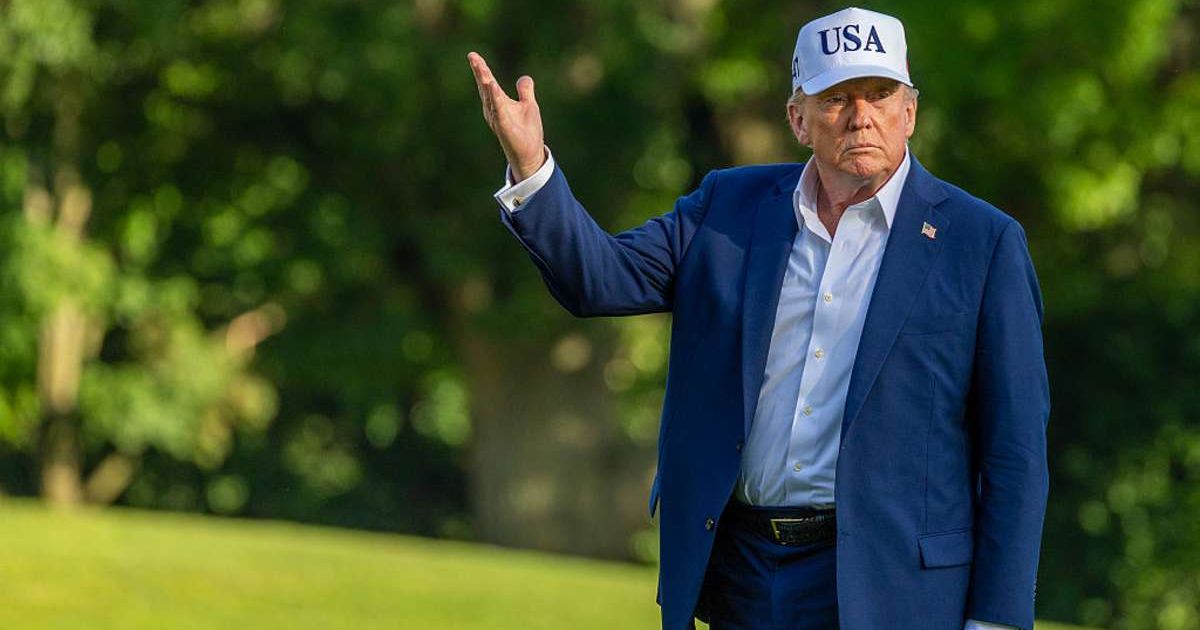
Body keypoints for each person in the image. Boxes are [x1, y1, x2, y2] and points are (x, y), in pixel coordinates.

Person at [467, 6, 1049, 630]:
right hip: (739, 570)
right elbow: (599, 279)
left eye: (880, 95)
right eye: (836, 98)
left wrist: (997, 618)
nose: (861, 117)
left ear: (910, 111)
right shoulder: (727, 206)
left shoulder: (981, 242)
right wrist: (532, 169)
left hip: (887, 585)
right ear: (798, 118)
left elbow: (1015, 450)